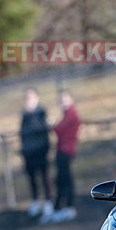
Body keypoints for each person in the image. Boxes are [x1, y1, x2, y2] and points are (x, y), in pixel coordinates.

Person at [42, 90, 81, 223]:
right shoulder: (67, 114)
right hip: (62, 150)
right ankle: (60, 207)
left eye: (65, 100)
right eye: (61, 100)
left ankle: (68, 207)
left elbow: (59, 129)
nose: (62, 103)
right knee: (61, 179)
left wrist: (51, 124)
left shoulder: (71, 114)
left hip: (66, 150)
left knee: (65, 179)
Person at [19, 87, 53, 217]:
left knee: (44, 178)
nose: (28, 100)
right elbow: (23, 133)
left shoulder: (41, 112)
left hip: (41, 152)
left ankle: (49, 203)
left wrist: (32, 113)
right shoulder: (24, 115)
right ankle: (35, 202)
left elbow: (40, 128)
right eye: (27, 98)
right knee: (32, 179)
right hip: (29, 154)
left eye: (31, 97)